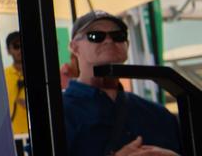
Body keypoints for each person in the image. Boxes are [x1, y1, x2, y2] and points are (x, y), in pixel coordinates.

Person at [63, 10, 181, 156]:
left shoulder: (159, 114)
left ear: (127, 45)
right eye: (95, 36)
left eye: (118, 36)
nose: (109, 41)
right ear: (74, 47)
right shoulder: (57, 113)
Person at [4, 31, 28, 139]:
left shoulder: (39, 74)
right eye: (16, 46)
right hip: (13, 135)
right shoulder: (3, 75)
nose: (20, 50)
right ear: (9, 50)